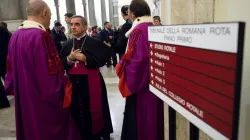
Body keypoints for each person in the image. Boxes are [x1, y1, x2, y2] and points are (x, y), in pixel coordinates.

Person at [4, 1, 81, 140]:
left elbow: (10, 69)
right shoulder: (41, 36)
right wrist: (63, 86)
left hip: (24, 96)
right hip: (42, 99)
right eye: (50, 16)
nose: (49, 20)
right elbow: (50, 73)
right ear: (44, 13)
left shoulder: (15, 36)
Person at [116, 1, 164, 140]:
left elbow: (140, 60)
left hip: (143, 86)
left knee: (143, 121)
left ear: (132, 13)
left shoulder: (138, 30)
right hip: (153, 81)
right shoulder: (152, 27)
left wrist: (124, 71)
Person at [60, 15, 113, 140]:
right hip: (73, 83)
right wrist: (69, 59)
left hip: (91, 82)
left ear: (85, 26)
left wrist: (86, 59)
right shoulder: (68, 44)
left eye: (77, 24)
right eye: (71, 24)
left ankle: (95, 133)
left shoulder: (94, 42)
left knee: (94, 109)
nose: (73, 27)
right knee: (76, 110)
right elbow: (60, 63)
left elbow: (102, 60)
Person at [0, 26, 11, 109]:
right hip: (4, 58)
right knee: (7, 77)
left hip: (3, 58)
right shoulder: (3, 31)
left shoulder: (2, 31)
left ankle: (3, 102)